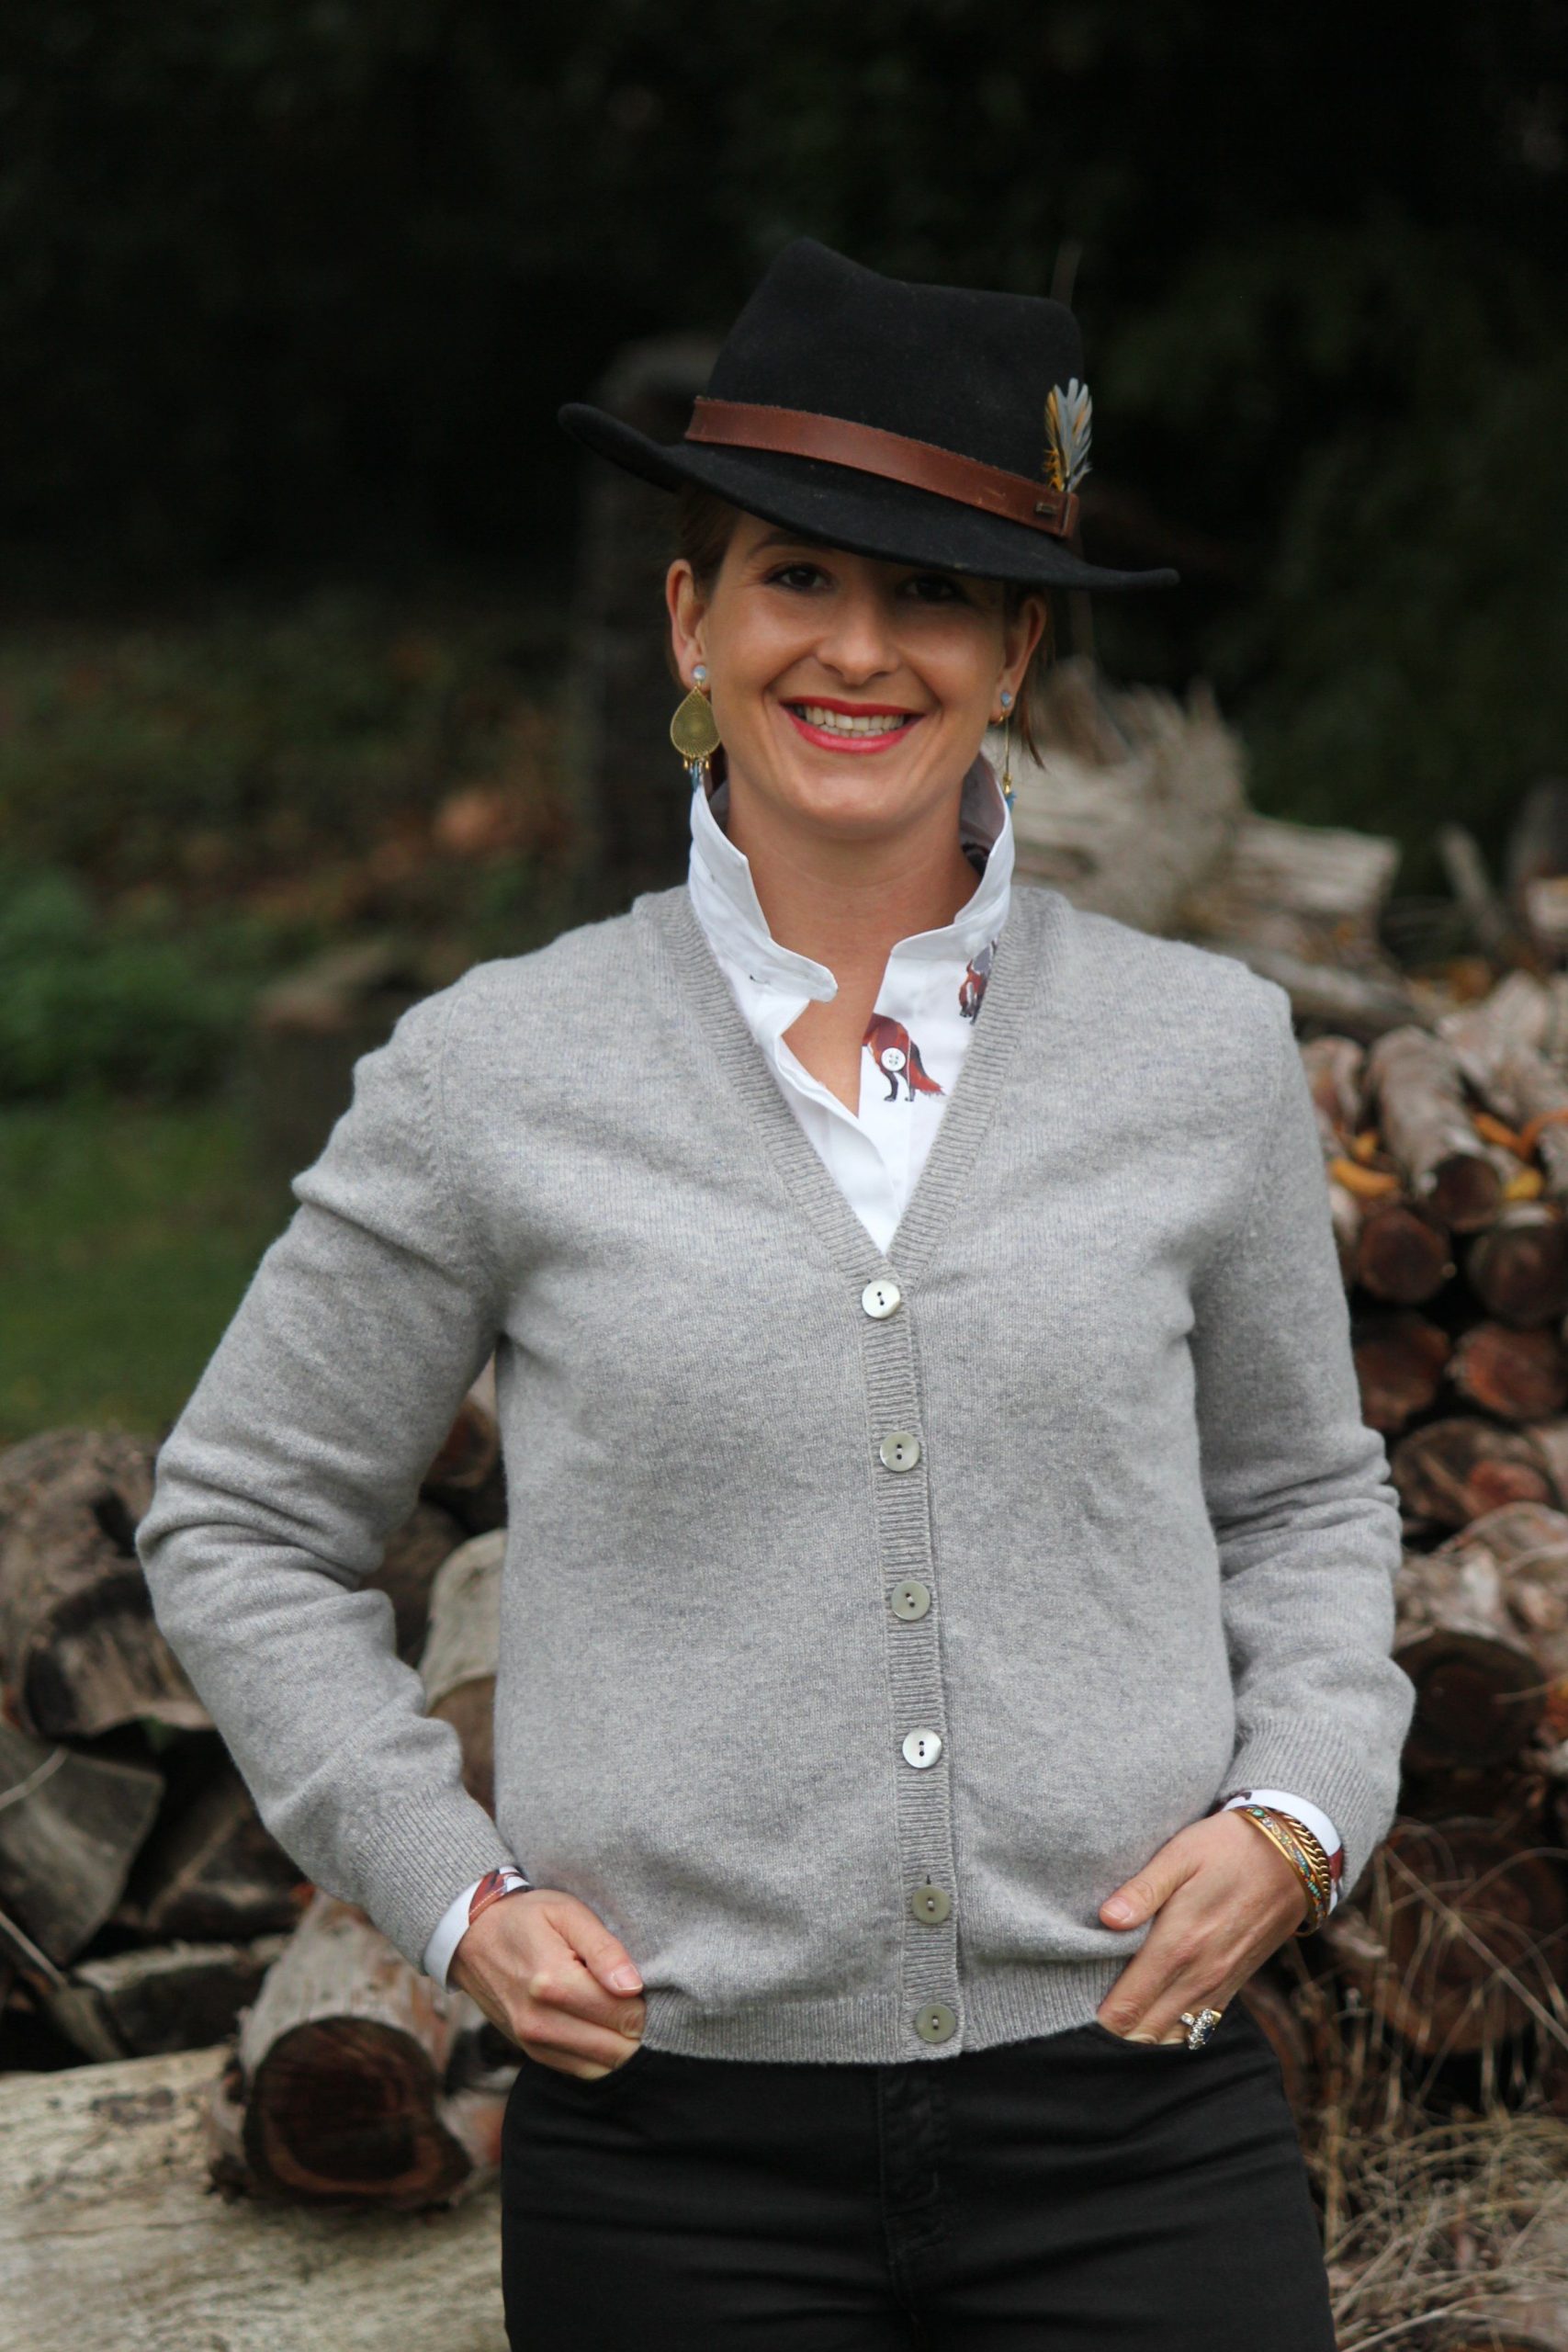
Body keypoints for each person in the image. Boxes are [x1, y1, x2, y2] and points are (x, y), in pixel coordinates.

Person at [136, 239, 1414, 2350]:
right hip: (673, 2165)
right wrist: (447, 1890)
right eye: (794, 577)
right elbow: (239, 1516)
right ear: (689, 618)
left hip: (1133, 2121)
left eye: (931, 594)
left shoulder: (1198, 1052)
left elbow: (1300, 1493)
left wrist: (1299, 1809)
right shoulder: (493, 1072)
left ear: (1014, 651)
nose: (857, 648)